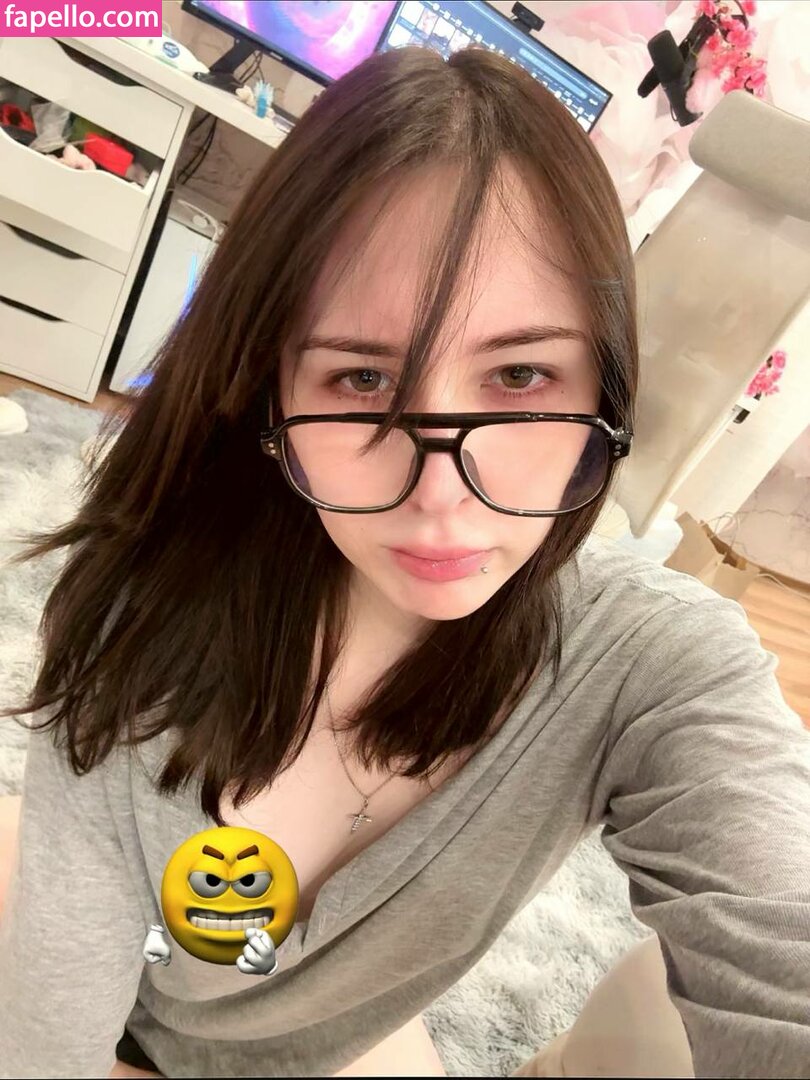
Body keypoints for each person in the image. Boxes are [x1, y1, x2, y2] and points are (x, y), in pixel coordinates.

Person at [0, 43, 808, 1080]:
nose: (440, 493)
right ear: (267, 391)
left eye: (519, 376)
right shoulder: (142, 613)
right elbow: (55, 1039)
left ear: (601, 386)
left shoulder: (654, 664)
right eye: (362, 380)